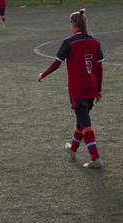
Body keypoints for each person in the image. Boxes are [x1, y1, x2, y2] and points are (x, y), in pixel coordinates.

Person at [37, 8, 105, 168]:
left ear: (74, 25)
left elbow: (56, 64)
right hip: (91, 87)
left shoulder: (69, 42)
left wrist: (43, 74)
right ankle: (73, 149)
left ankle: (96, 159)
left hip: (78, 89)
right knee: (81, 121)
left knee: (85, 122)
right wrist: (98, 89)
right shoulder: (95, 42)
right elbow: (99, 68)